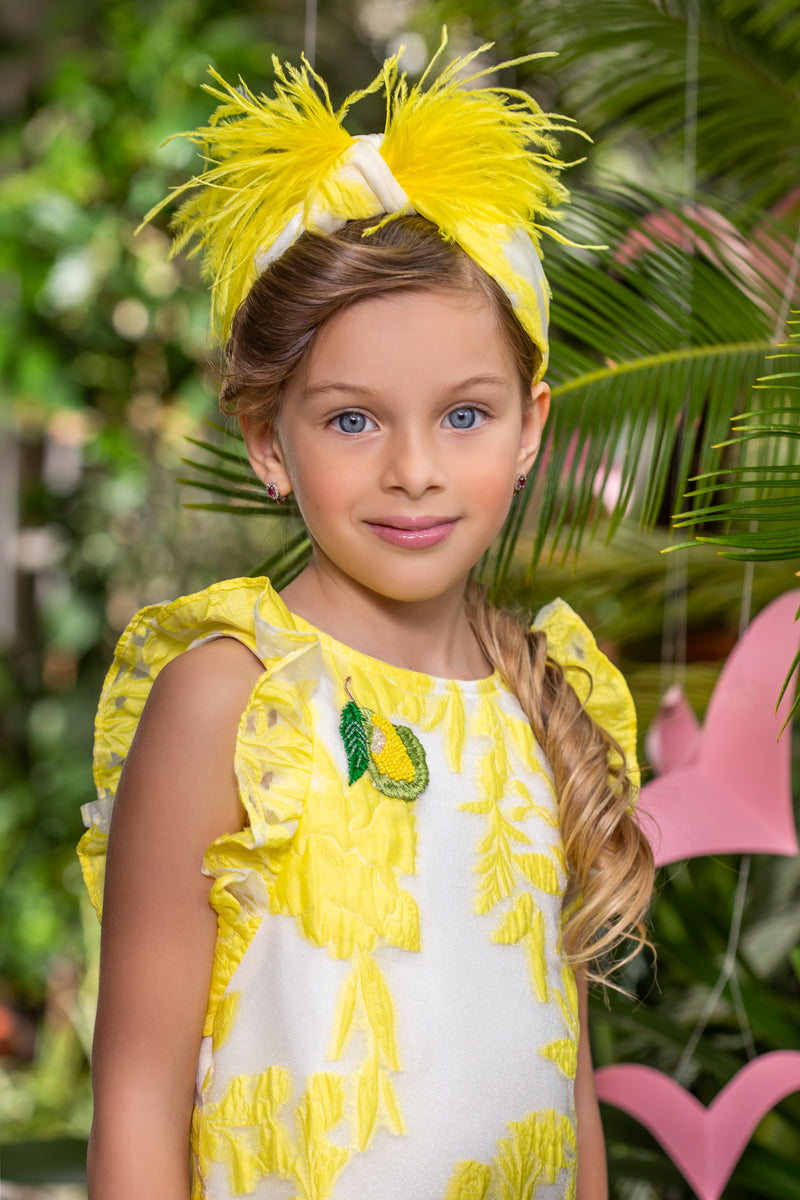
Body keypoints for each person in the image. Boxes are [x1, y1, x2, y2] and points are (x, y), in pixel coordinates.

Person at [79, 36, 654, 1200]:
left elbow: (563, 1075)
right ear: (265, 440)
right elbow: (137, 1092)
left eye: (463, 416)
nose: (412, 472)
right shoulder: (228, 698)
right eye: (351, 421)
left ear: (531, 424)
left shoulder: (549, 694)